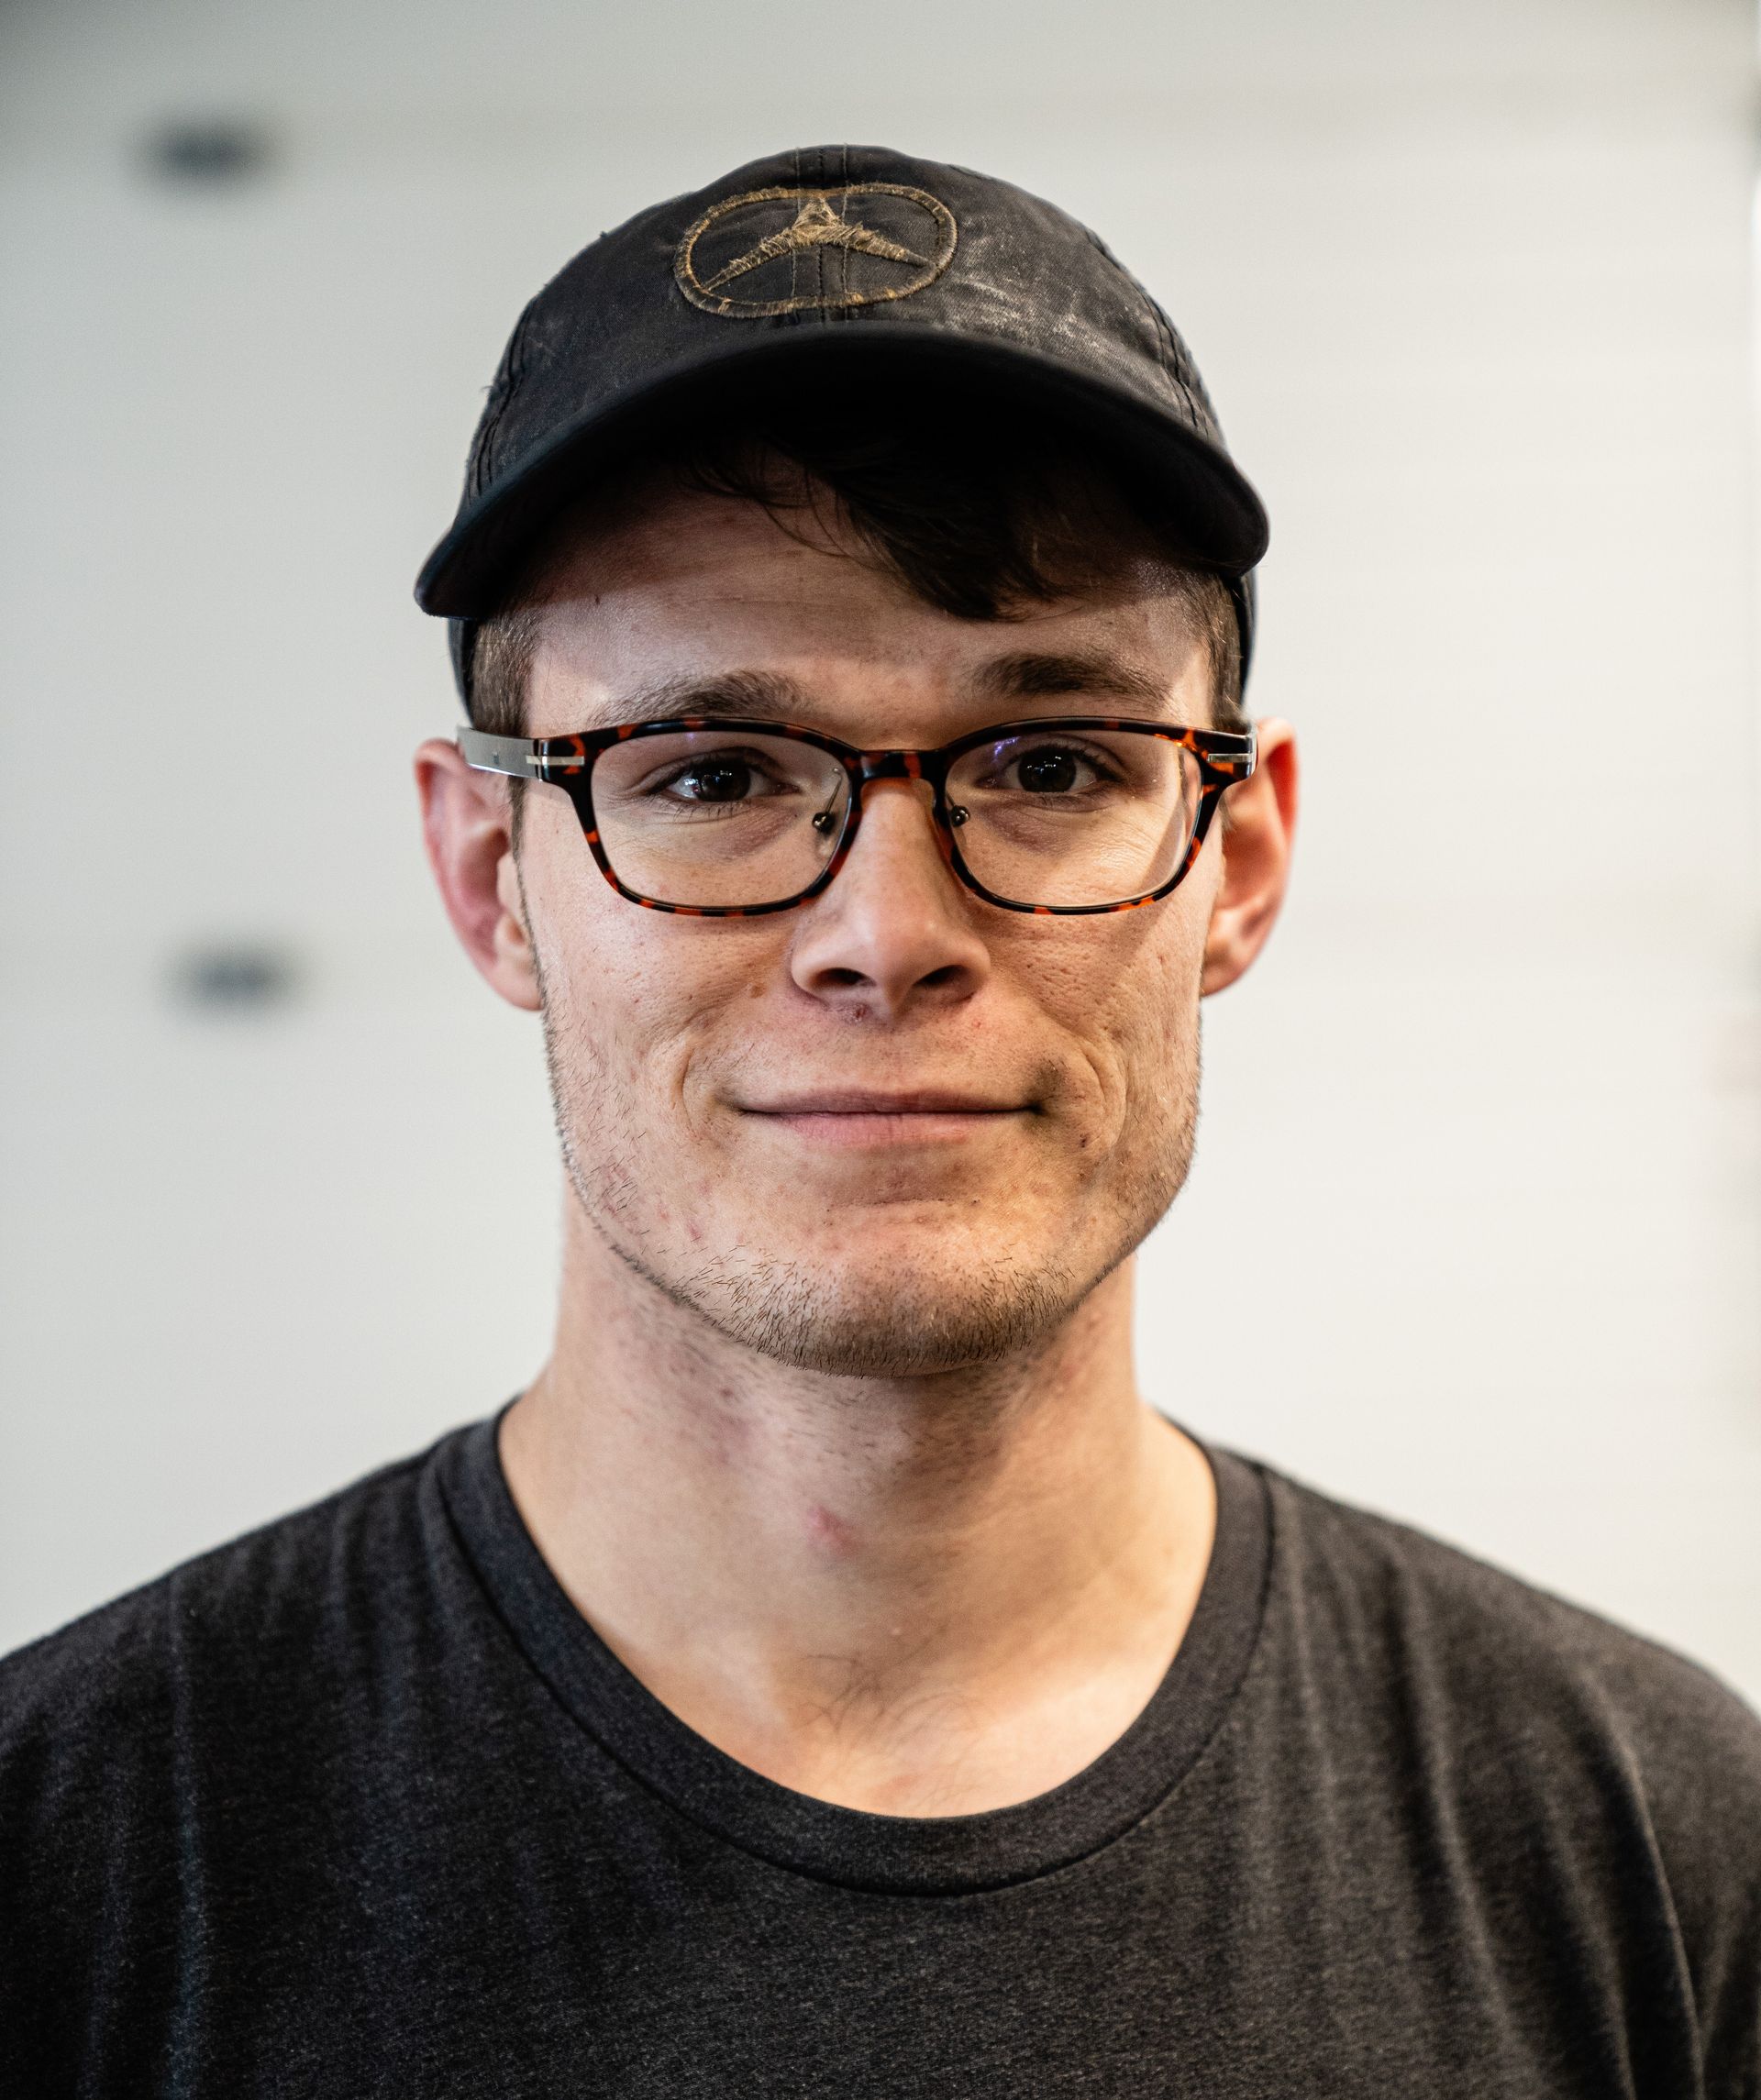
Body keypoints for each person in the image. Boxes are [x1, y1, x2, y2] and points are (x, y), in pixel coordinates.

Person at [2, 143, 1757, 2098]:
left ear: (1237, 860)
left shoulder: (1654, 1843)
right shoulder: (69, 1859)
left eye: (1051, 761)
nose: (890, 933)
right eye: (712, 770)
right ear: (492, 874)